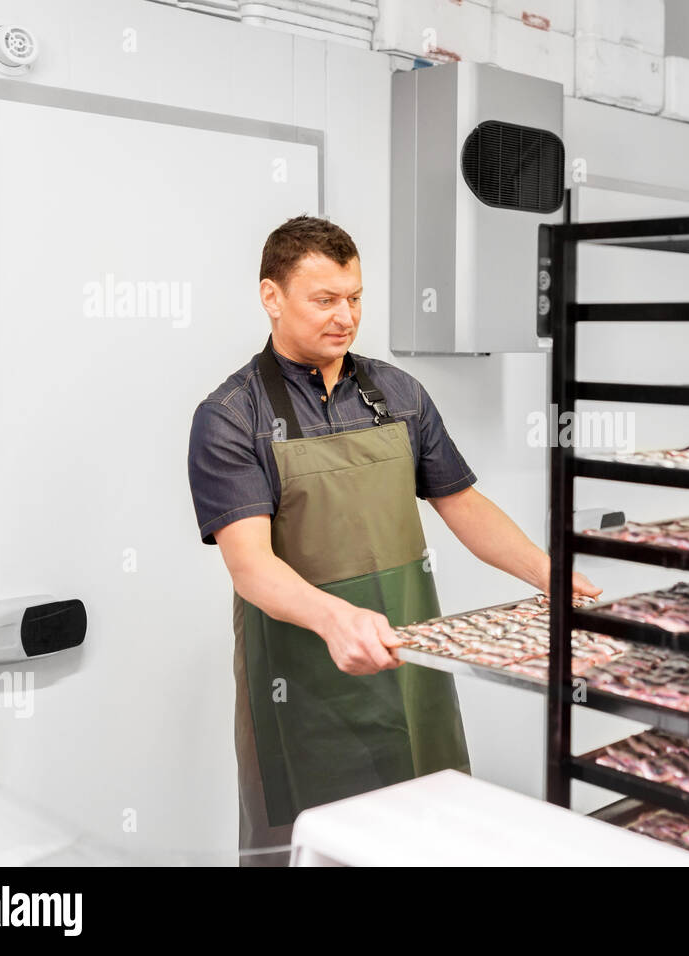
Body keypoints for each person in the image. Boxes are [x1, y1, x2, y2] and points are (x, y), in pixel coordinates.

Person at [187, 215, 599, 866]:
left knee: (429, 834)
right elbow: (252, 568)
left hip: (411, 666)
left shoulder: (398, 394)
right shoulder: (231, 417)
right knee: (319, 844)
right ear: (272, 297)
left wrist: (548, 573)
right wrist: (336, 617)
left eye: (354, 297)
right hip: (304, 681)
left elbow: (462, 504)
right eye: (324, 300)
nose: (345, 316)